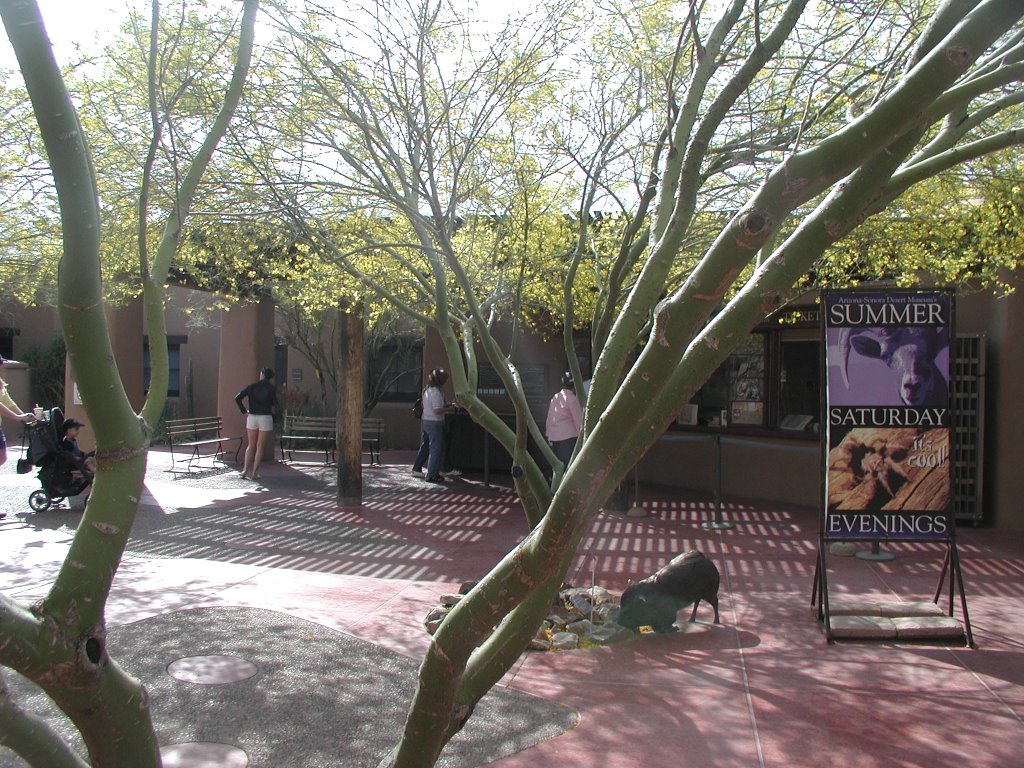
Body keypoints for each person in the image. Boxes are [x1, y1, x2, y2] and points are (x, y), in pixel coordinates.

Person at [411, 368, 456, 484]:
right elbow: (437, 410)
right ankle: (431, 475)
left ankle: (417, 468)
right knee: (435, 449)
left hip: (426, 420)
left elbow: (432, 406)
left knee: (425, 446)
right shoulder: (436, 392)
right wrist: (450, 408)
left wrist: (449, 404)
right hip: (435, 422)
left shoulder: (427, 390)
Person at [235, 367, 277, 481]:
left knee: (251, 445)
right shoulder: (272, 389)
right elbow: (274, 403)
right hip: (265, 417)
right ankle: (254, 473)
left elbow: (237, 398)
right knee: (260, 446)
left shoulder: (252, 387)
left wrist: (244, 411)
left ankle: (244, 470)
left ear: (262, 374)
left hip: (252, 416)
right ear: (271, 377)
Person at [0, 355, 35, 468]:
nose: (1, 366)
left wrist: (24, 416)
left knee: (2, 457)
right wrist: (16, 417)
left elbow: (8, 402)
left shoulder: (1, 385)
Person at [545, 372, 583, 467]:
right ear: (574, 385)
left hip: (554, 437)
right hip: (568, 438)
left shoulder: (555, 397)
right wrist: (582, 436)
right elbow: (578, 420)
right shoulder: (572, 399)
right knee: (567, 466)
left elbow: (550, 417)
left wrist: (548, 434)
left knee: (557, 467)